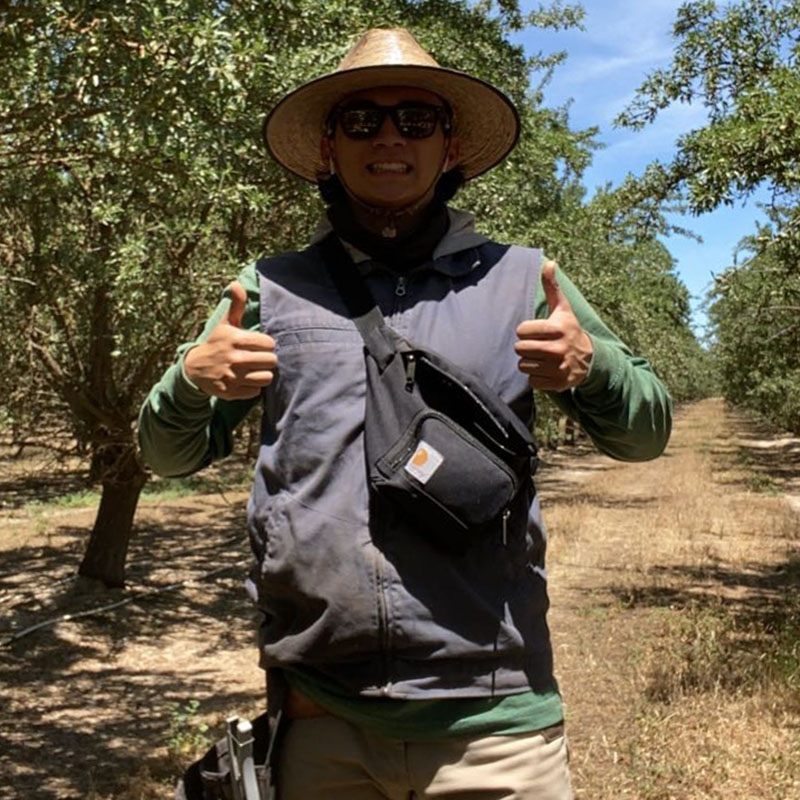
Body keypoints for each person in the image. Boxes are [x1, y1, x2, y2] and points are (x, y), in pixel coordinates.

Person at [139, 28, 672, 800]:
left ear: (449, 147)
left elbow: (647, 434)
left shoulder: (524, 278)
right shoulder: (269, 290)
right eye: (362, 121)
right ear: (328, 148)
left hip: (497, 728)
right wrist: (191, 381)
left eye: (415, 120)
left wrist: (593, 370)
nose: (389, 137)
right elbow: (165, 456)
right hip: (323, 717)